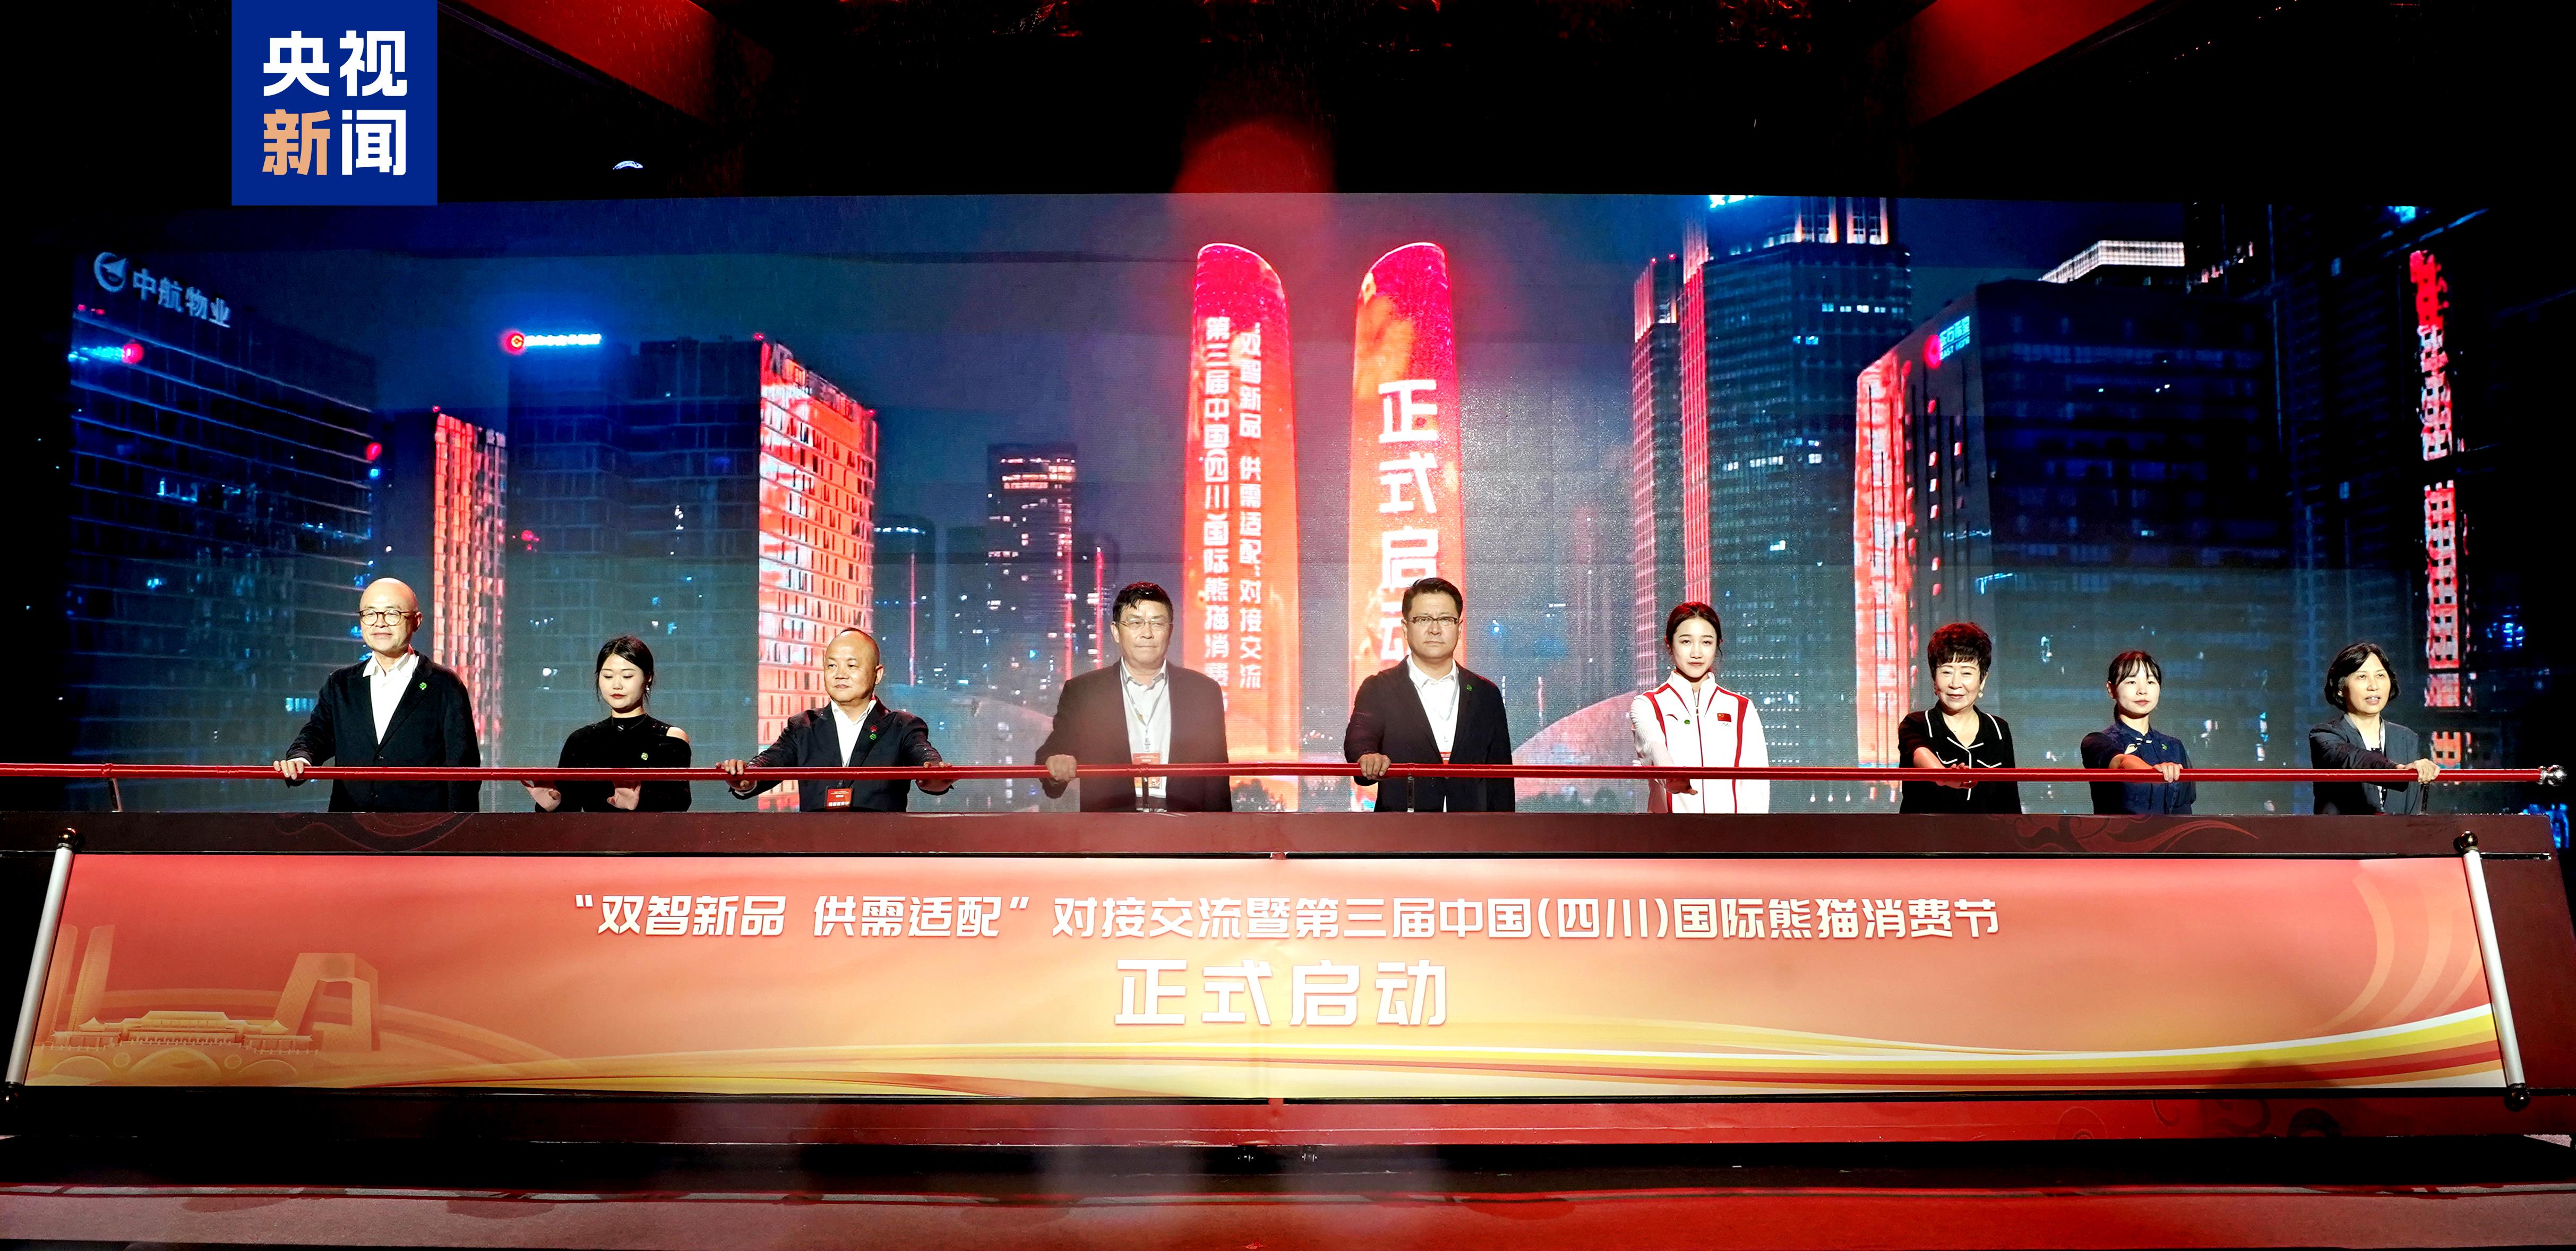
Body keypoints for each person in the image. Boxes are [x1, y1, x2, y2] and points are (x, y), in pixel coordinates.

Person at [273, 578, 483, 811]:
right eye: (370, 614)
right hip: (351, 825)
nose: (380, 623)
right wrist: (301, 758)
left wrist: (459, 828)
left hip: (422, 828)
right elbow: (317, 734)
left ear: (416, 621)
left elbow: (463, 768)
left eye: (392, 614)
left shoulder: (444, 685)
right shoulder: (341, 684)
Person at [1035, 582, 1233, 812]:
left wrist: (1221, 833)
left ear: (1170, 631)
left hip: (1185, 826)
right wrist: (1056, 764)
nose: (1147, 633)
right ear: (1116, 632)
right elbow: (1052, 755)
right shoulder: (1085, 692)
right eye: (1136, 623)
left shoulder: (1203, 692)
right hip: (1111, 828)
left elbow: (1217, 782)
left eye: (1157, 623)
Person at [718, 628, 951, 811]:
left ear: (877, 674)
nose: (840, 674)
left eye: (852, 665)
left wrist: (934, 775)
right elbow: (769, 763)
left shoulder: (902, 726)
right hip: (817, 846)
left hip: (880, 847)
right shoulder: (804, 726)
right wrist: (745, 777)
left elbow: (926, 759)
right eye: (832, 665)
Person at [1346, 576, 1515, 812]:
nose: (1435, 630)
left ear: (1459, 627)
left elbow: (1501, 781)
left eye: (1445, 619)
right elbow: (1360, 737)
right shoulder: (1379, 688)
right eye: (1423, 619)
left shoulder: (1486, 694)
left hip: (1472, 831)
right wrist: (1367, 756)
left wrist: (1504, 832)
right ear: (1406, 628)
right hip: (1402, 830)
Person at [526, 635, 692, 812]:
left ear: (648, 677)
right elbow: (568, 810)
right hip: (595, 831)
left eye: (627, 676)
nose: (616, 685)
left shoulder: (670, 738)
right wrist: (552, 805)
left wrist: (638, 802)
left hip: (651, 831)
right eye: (608, 676)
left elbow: (680, 801)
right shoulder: (581, 740)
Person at [1628, 602, 1768, 813]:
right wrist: (1671, 775)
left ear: (1718, 644)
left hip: (1730, 833)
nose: (1697, 653)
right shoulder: (1648, 704)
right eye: (1686, 641)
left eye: (1706, 642)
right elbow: (1652, 746)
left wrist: (1755, 833)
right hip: (1668, 833)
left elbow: (1756, 788)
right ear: (1669, 644)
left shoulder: (1741, 708)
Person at [1895, 621, 2020, 814]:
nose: (1955, 683)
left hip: (1986, 833)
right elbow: (1920, 754)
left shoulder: (1998, 729)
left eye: (1966, 673)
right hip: (1925, 833)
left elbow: (2009, 802)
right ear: (1934, 679)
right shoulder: (1915, 724)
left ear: (1982, 680)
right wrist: (1945, 777)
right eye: (1947, 672)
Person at [2308, 641, 2440, 815]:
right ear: (2340, 688)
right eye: (2362, 677)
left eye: (2380, 675)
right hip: (2344, 832)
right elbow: (2352, 759)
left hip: (2400, 831)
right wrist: (2399, 771)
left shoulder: (2406, 737)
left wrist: (2424, 769)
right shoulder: (2325, 734)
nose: (2374, 686)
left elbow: (2413, 806)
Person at [2079, 650, 2195, 816]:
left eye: (2150, 682)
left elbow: (2183, 812)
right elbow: (2122, 762)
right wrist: (2157, 773)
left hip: (2170, 832)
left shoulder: (2174, 746)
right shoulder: (2097, 741)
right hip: (2118, 832)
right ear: (2111, 689)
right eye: (2132, 682)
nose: (2143, 690)